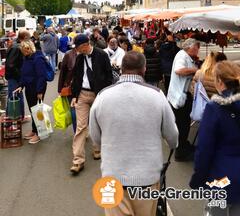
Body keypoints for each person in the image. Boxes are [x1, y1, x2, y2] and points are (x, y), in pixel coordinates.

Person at [89, 51, 178, 216]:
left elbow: (95, 136)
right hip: (147, 176)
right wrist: (173, 146)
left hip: (113, 176)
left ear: (121, 69)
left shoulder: (103, 96)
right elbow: (172, 135)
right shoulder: (157, 96)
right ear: (144, 69)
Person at [190, 61, 240, 215]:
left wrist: (198, 178)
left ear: (219, 81)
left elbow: (205, 149)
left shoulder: (214, 108)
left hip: (220, 177)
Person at [70, 34, 112, 174]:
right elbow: (76, 77)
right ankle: (78, 160)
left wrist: (105, 95)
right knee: (81, 127)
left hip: (98, 95)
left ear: (86, 44)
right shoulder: (79, 57)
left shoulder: (102, 55)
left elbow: (109, 76)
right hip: (82, 94)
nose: (78, 50)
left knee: (98, 123)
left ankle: (97, 148)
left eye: (79, 47)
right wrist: (74, 96)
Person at [167, 38, 199, 161]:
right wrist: (196, 70)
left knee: (184, 123)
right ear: (190, 47)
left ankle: (184, 145)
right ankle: (180, 153)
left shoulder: (185, 56)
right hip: (180, 96)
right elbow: (179, 70)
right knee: (182, 125)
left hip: (182, 95)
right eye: (196, 47)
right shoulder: (182, 56)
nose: (197, 50)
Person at [14, 40, 47, 144]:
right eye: (23, 50)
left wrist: (40, 91)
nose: (24, 52)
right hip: (29, 87)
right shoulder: (26, 58)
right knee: (33, 110)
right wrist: (20, 86)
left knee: (37, 111)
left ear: (30, 48)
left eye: (25, 50)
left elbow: (42, 76)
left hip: (37, 88)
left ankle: (39, 133)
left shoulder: (38, 59)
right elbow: (24, 74)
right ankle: (34, 130)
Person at [5, 30, 31, 120]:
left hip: (14, 76)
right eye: (29, 37)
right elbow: (11, 64)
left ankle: (17, 116)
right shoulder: (16, 47)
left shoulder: (16, 45)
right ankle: (14, 117)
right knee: (14, 96)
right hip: (14, 76)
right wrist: (20, 75)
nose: (30, 40)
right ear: (24, 37)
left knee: (15, 96)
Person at [58, 36, 79, 133]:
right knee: (73, 111)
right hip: (71, 87)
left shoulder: (88, 54)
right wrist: (60, 88)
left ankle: (83, 128)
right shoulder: (68, 54)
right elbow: (63, 72)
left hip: (86, 88)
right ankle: (77, 133)